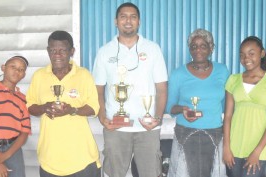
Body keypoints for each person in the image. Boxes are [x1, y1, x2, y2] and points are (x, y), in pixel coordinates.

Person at [92, 2, 168, 177]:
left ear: (139, 22)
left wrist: (157, 117)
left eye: (133, 17)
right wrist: (103, 117)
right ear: (115, 21)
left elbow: (162, 89)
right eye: (123, 16)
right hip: (115, 128)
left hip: (147, 129)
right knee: (114, 174)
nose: (128, 21)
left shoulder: (152, 49)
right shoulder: (104, 52)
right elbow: (98, 90)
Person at [26, 30, 101, 177]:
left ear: (71, 51)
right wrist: (43, 107)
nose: (57, 55)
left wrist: (72, 110)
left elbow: (93, 108)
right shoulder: (39, 76)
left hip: (82, 159)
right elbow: (30, 106)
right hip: (49, 159)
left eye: (62, 50)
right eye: (53, 50)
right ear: (48, 51)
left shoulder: (83, 75)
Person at [166, 29, 229, 177]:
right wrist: (182, 109)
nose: (198, 50)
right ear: (189, 50)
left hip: (215, 134)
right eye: (194, 46)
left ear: (211, 48)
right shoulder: (178, 74)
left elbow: (228, 106)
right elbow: (170, 107)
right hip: (185, 134)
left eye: (203, 45)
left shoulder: (222, 71)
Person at [223, 36, 266, 177]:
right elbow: (228, 116)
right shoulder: (233, 80)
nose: (246, 58)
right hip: (234, 147)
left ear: (262, 54)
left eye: (251, 53)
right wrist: (226, 147)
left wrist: (257, 151)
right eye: (242, 55)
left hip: (258, 148)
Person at [0, 56, 31, 177]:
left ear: (24, 75)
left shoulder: (23, 99)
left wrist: (5, 155)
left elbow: (25, 132)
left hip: (13, 150)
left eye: (21, 69)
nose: (17, 71)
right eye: (13, 67)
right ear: (3, 68)